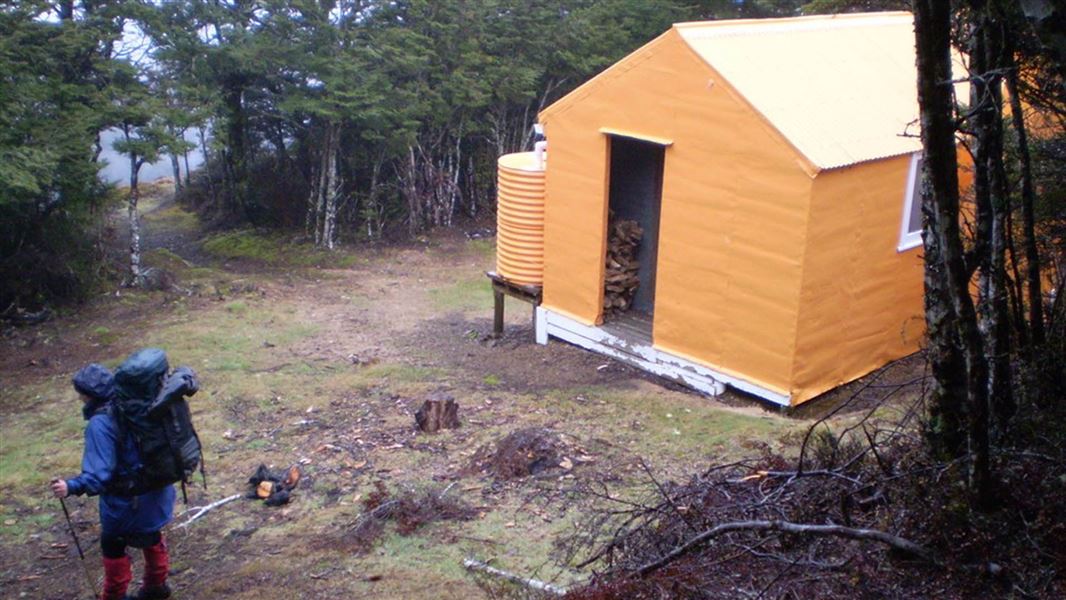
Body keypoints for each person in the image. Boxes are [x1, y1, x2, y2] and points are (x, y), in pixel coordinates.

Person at [51, 352, 176, 600]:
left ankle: (113, 596)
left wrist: (71, 486)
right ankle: (156, 587)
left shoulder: (101, 423)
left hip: (126, 505)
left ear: (88, 395)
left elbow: (99, 476)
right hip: (157, 492)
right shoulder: (142, 404)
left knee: (113, 547)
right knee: (152, 536)